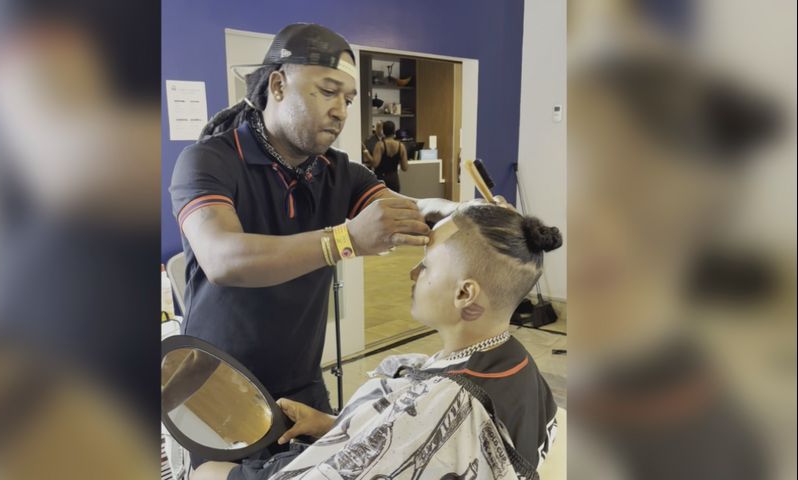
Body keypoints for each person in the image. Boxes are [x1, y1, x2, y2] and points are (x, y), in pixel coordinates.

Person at [169, 22, 458, 466]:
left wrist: (461, 213)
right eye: (327, 92)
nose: (340, 111)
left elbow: (407, 211)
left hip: (301, 382)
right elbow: (222, 259)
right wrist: (345, 239)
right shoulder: (209, 161)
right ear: (278, 85)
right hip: (215, 384)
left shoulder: (339, 172)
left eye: (348, 99)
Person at [193, 202, 562, 480]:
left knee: (207, 470)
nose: (413, 273)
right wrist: (333, 425)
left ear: (465, 294)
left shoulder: (449, 400)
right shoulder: (517, 363)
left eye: (426, 265)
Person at [370, 121, 409, 192]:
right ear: (394, 131)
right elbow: (405, 167)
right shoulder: (401, 146)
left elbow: (375, 164)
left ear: (383, 131)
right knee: (394, 199)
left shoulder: (380, 145)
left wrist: (367, 156)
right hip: (394, 179)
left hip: (381, 179)